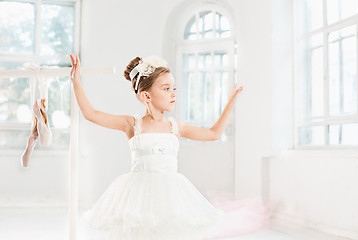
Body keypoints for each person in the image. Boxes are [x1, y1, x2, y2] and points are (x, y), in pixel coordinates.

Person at [70, 53, 268, 240]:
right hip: (138, 196)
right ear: (147, 96)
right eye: (166, 89)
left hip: (171, 195)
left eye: (173, 88)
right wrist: (76, 81)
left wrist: (230, 103)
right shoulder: (132, 124)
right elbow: (91, 114)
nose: (173, 94)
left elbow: (213, 134)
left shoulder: (176, 127)